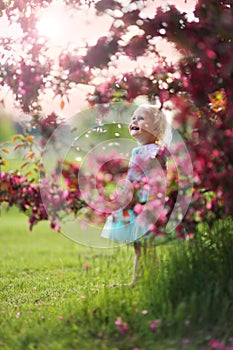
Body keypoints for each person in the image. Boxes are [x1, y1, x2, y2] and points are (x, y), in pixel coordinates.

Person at [101, 104, 171, 285]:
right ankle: (147, 279)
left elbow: (158, 176)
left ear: (155, 129)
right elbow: (133, 175)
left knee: (144, 244)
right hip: (135, 202)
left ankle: (140, 281)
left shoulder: (156, 150)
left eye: (141, 118)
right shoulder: (136, 150)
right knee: (140, 245)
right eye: (133, 117)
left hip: (146, 203)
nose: (134, 121)